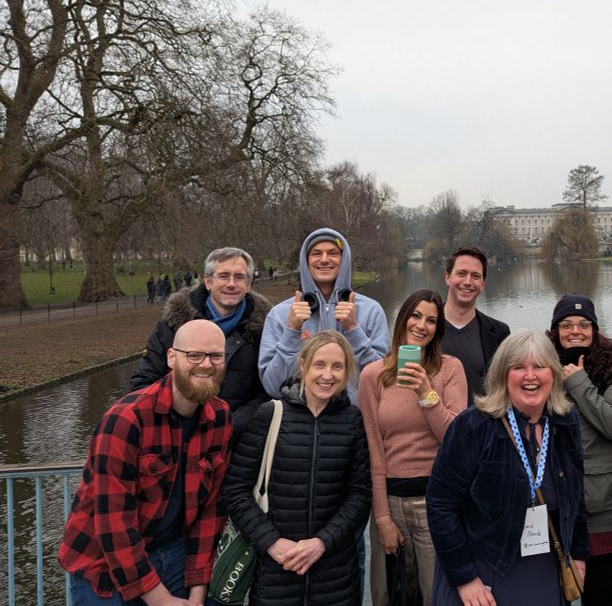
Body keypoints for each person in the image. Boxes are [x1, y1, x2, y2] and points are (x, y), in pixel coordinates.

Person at [59, 320, 232, 606]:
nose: (206, 364)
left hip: (172, 551)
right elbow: (114, 521)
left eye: (215, 356)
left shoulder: (220, 416)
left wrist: (198, 590)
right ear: (171, 357)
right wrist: (160, 599)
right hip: (104, 562)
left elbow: (210, 510)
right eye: (194, 355)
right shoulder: (126, 420)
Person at [426, 329, 588, 606]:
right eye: (518, 368)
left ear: (553, 374)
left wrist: (579, 555)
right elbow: (440, 505)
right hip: (485, 572)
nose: (530, 376)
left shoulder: (565, 422)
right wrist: (464, 578)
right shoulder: (473, 426)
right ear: (502, 375)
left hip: (544, 569)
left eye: (540, 367)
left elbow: (577, 496)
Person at [223, 330, 371, 606]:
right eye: (320, 364)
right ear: (303, 365)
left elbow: (360, 495)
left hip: (335, 574)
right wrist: (271, 542)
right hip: (276, 572)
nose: (328, 375)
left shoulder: (352, 421)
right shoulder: (271, 414)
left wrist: (322, 542)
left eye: (337, 367)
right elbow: (236, 489)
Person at [359, 289, 467, 606]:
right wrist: (381, 518)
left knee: (438, 595)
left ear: (438, 329)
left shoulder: (450, 369)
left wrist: (426, 392)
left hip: (436, 502)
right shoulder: (373, 375)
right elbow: (375, 450)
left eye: (431, 320)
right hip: (391, 501)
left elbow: (454, 440)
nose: (422, 325)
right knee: (388, 595)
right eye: (416, 316)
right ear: (403, 319)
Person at [546, 293, 612, 606]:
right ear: (555, 330)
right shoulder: (541, 370)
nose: (575, 331)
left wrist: (579, 381)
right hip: (553, 502)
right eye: (567, 324)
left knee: (598, 596)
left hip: (605, 505)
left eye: (584, 324)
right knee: (554, 593)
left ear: (594, 330)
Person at [131, 247, 273, 442]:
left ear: (248, 284)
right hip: (177, 437)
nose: (231, 284)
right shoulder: (173, 324)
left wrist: (229, 425)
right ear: (208, 281)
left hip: (237, 439)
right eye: (223, 276)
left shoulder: (266, 328)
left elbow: (269, 390)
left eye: (239, 277)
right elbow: (144, 381)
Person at [259, 228, 389, 403]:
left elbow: (382, 381)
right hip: (299, 425)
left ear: (344, 260)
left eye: (333, 253)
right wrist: (291, 331)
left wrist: (354, 331)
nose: (325, 259)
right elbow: (272, 387)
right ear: (306, 261)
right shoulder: (280, 314)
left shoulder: (371, 311)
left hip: (354, 423)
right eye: (316, 253)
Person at [440, 246, 511, 405]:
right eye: (461, 273)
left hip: (481, 427)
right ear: (447, 277)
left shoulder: (499, 333)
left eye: (475, 276)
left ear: (483, 284)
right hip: (432, 427)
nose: (467, 282)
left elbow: (505, 390)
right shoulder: (423, 327)